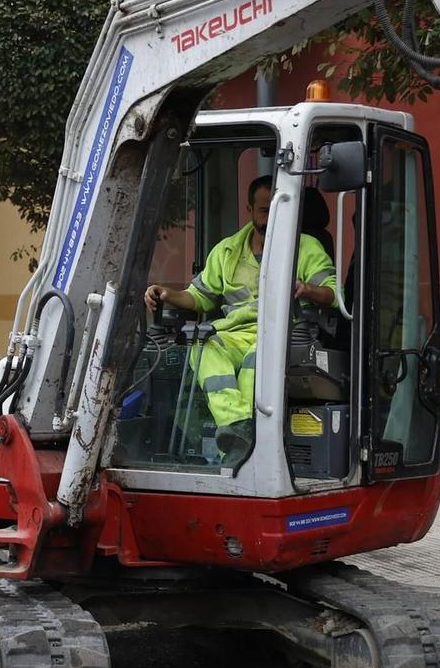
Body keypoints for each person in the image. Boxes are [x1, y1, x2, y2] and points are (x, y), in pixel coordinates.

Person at [144, 175, 338, 460]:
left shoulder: (306, 247)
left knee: (255, 359)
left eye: (274, 209)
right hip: (234, 334)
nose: (269, 216)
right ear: (249, 210)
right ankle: (236, 426)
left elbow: (334, 294)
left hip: (281, 331)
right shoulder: (227, 250)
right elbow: (199, 297)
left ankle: (250, 444)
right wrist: (166, 294)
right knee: (203, 346)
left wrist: (307, 288)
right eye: (263, 210)